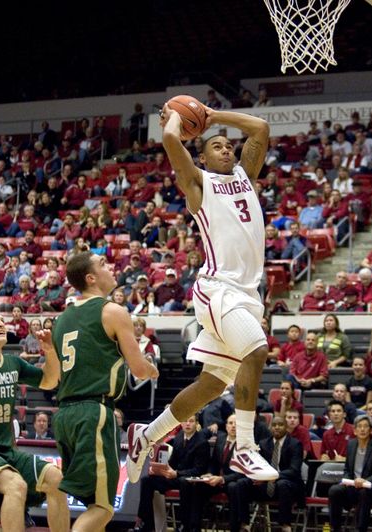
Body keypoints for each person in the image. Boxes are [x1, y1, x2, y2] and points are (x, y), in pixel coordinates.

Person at [127, 104, 278, 485]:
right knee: (256, 350)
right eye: (217, 147)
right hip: (217, 290)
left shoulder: (246, 176)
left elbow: (259, 127)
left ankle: (146, 435)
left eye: (230, 146)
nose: (227, 150)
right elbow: (169, 138)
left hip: (246, 294)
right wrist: (178, 117)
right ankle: (244, 447)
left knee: (211, 385)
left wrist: (212, 116)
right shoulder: (198, 184)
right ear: (203, 156)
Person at [52, 252, 158, 531]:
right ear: (91, 278)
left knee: (92, 505)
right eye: (103, 264)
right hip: (93, 413)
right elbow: (137, 368)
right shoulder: (112, 311)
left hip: (64, 415)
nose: (110, 268)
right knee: (102, 509)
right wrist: (151, 369)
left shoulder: (62, 319)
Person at [0, 310, 69, 531]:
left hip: (6, 450)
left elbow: (49, 381)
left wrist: (50, 350)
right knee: (16, 485)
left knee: (56, 479)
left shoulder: (13, 363)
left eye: (2, 321)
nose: (1, 325)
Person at [134, 414, 210, 532]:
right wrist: (161, 470)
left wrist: (177, 473)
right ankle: (146, 523)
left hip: (192, 480)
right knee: (147, 480)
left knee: (184, 482)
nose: (188, 424)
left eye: (191, 421)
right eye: (185, 421)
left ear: (197, 424)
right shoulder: (179, 437)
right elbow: (172, 462)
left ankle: (184, 525)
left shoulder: (202, 442)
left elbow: (199, 469)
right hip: (176, 476)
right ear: (181, 423)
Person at [232, 416, 304, 532]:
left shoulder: (295, 444)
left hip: (288, 485)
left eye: (280, 425)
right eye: (274, 425)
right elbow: (257, 466)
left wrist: (270, 478)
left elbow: (294, 470)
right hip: (265, 485)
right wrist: (258, 477)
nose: (276, 427)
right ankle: (244, 523)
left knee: (282, 484)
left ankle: (285, 525)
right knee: (241, 483)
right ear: (270, 427)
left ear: (286, 427)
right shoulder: (263, 443)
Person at [178, 413, 244, 532]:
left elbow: (244, 472)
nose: (233, 426)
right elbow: (213, 462)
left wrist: (223, 479)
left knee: (235, 487)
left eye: (236, 424)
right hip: (216, 479)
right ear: (226, 426)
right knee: (198, 486)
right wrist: (209, 473)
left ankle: (235, 528)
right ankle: (194, 527)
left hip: (232, 481)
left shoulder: (245, 444)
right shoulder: (220, 439)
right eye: (230, 423)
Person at [328, 415, 372, 532]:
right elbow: (347, 470)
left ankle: (361, 529)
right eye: (359, 426)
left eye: (366, 426)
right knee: (334, 490)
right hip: (353, 487)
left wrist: (366, 481)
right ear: (354, 431)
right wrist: (346, 480)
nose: (362, 429)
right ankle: (335, 528)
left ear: (370, 430)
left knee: (364, 492)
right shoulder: (351, 444)